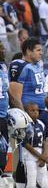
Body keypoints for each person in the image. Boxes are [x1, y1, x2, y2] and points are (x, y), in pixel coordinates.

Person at [22, 103, 48, 188]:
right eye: (32, 110)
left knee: (43, 182)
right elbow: (25, 144)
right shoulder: (25, 125)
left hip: (41, 152)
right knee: (30, 181)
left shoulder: (41, 124)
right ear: (26, 112)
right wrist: (40, 157)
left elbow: (46, 140)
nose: (35, 112)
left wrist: (44, 155)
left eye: (36, 110)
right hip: (30, 155)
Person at [8, 37, 46, 110]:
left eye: (41, 50)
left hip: (41, 109)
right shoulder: (19, 65)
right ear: (28, 51)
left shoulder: (39, 64)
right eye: (38, 50)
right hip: (29, 111)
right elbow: (15, 98)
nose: (41, 53)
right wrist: (25, 116)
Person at [0, 41, 8, 174]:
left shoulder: (3, 67)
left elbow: (7, 90)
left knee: (3, 150)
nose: (3, 50)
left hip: (3, 115)